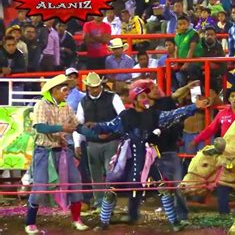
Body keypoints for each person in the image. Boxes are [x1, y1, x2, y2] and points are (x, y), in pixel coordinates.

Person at [91, 85, 209, 231]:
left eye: (146, 96)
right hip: (127, 158)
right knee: (111, 189)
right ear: (134, 100)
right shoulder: (125, 116)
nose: (145, 99)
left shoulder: (154, 114)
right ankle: (103, 222)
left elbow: (174, 114)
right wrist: (94, 126)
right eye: (141, 96)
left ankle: (175, 223)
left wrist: (193, 107)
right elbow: (109, 126)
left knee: (163, 188)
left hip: (147, 158)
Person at [24, 74, 96, 234]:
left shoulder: (66, 107)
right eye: (64, 89)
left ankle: (76, 219)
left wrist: (96, 134)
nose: (67, 93)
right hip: (44, 151)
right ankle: (30, 222)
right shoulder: (41, 105)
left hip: (63, 151)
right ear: (55, 90)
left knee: (76, 181)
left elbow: (77, 126)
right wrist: (62, 128)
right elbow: (40, 127)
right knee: (40, 186)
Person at [190, 86, 235, 214]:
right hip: (225, 152)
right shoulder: (222, 114)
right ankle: (223, 211)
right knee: (222, 181)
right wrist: (196, 140)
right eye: (232, 96)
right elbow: (211, 129)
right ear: (229, 99)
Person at [73, 72, 126, 210]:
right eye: (93, 87)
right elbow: (78, 124)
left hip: (111, 141)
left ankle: (109, 205)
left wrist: (110, 131)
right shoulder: (83, 102)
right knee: (95, 174)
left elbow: (123, 117)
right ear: (88, 87)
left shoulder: (113, 97)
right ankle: (99, 203)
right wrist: (78, 143)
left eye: (97, 86)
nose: (95, 89)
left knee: (110, 174)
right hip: (93, 143)